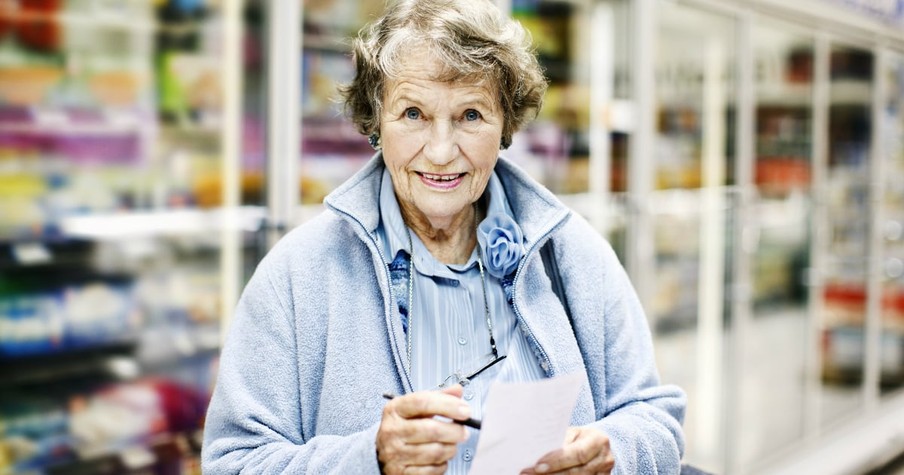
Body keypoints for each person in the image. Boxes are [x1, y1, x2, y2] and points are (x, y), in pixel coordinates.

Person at [202, 0, 686, 473]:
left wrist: (612, 454)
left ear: (506, 128)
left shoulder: (571, 252)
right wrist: (370, 459)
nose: (439, 151)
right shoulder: (299, 272)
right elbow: (234, 462)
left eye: (470, 116)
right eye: (413, 114)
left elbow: (653, 417)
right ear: (375, 123)